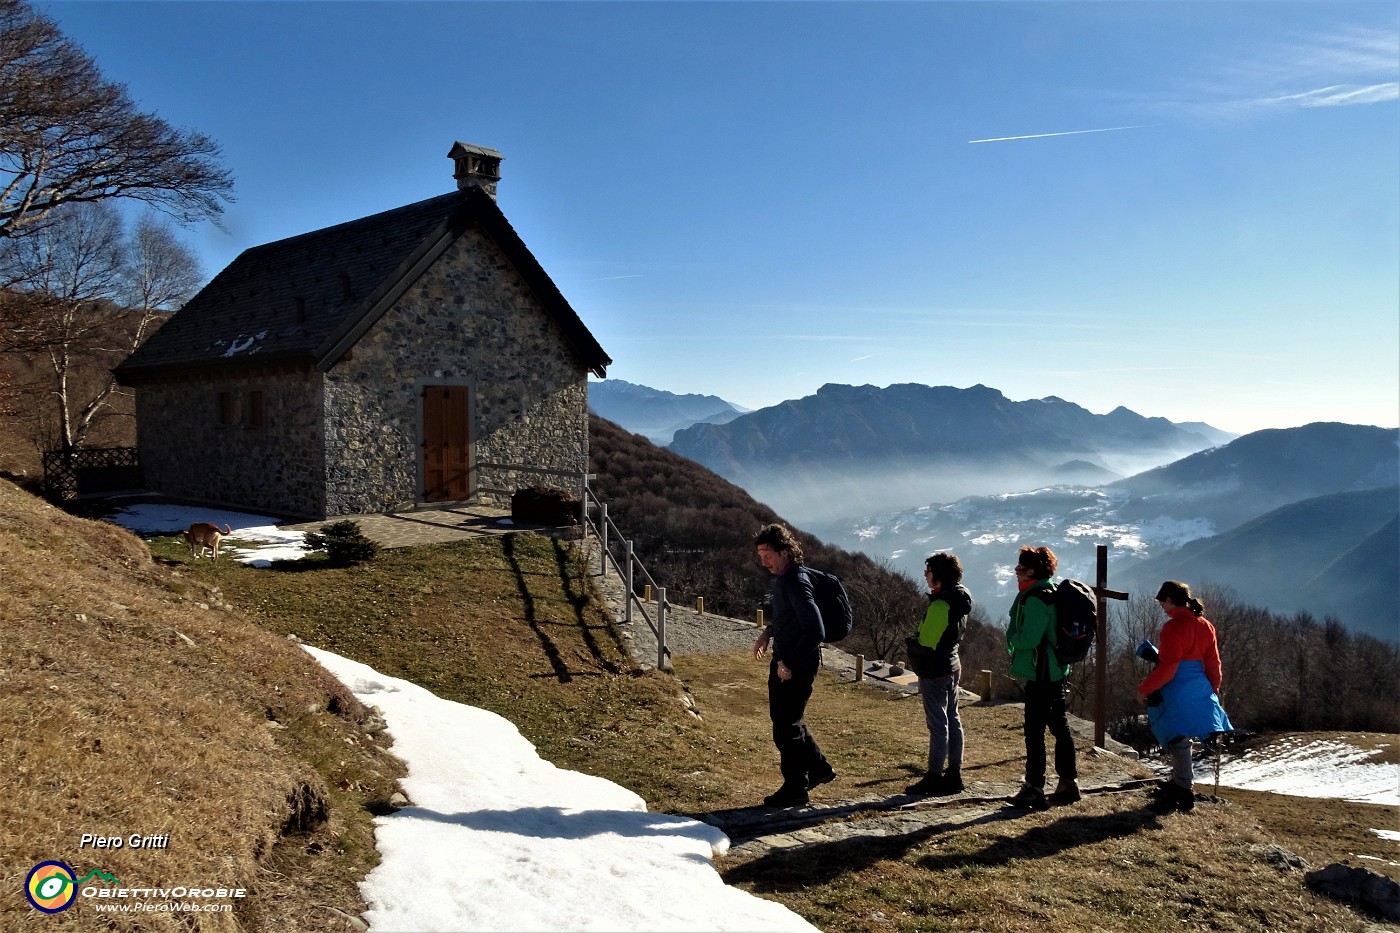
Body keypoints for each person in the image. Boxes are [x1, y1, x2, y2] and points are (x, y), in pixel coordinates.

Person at [751, 523, 835, 808]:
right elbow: (790, 619)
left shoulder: (796, 582)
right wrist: (768, 632)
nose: (763, 561)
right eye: (760, 555)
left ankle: (795, 787)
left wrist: (788, 662)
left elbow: (815, 630)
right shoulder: (786, 579)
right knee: (788, 722)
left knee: (785, 726)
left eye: (767, 554)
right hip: (788, 660)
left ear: (785, 552)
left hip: (796, 662)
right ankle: (818, 769)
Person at [1138, 581, 1233, 814]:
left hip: (1176, 686)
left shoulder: (1172, 628)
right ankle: (1181, 782)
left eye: (1161, 601)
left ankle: (1182, 787)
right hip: (1199, 684)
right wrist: (1213, 687)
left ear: (1169, 600)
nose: (1160, 606)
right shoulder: (1205, 625)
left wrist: (1145, 689)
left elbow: (1169, 666)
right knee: (1183, 734)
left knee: (1174, 733)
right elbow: (1213, 661)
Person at [1005, 545, 1079, 807]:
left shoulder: (1036, 599)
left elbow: (1029, 638)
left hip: (1041, 672)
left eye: (1021, 567)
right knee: (1059, 726)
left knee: (1034, 731)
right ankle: (1068, 783)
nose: (1016, 570)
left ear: (1032, 571)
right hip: (1055, 670)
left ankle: (1034, 787)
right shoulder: (1052, 592)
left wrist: (1011, 637)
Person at [904, 552, 974, 796]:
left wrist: (911, 642)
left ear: (939, 576)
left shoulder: (941, 604)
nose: (925, 575)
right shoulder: (959, 599)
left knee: (938, 724)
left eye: (929, 571)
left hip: (934, 670)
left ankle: (934, 776)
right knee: (953, 719)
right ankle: (954, 773)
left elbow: (926, 642)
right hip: (952, 664)